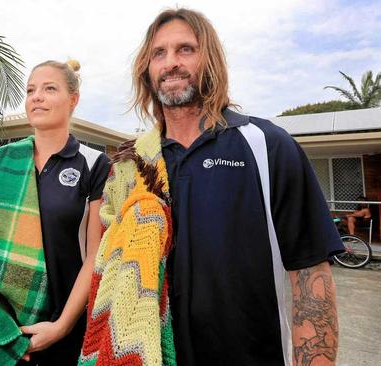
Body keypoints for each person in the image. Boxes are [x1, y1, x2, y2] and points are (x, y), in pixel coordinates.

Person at [80, 8, 344, 366]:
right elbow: (107, 269)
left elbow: (310, 276)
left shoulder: (267, 146)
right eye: (159, 53)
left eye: (186, 49)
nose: (171, 62)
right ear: (147, 69)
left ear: (211, 60)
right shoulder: (131, 166)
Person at [0, 60, 110, 366]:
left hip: (64, 326)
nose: (37, 96)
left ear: (73, 99)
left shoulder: (94, 164)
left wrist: (61, 327)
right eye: (31, 90)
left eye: (50, 89)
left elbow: (95, 256)